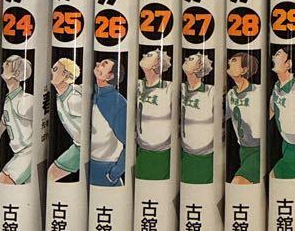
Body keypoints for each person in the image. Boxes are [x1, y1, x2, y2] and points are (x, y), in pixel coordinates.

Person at [135, 48, 173, 181]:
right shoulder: (138, 84)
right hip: (141, 150)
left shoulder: (169, 88)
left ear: (157, 64)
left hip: (161, 153)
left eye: (149, 55)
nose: (144, 54)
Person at [270, 48, 295, 179]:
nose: (273, 57)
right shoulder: (276, 87)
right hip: (285, 145)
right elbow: (272, 111)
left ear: (288, 64)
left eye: (277, 54)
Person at [0, 55, 34, 185]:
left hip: (28, 154)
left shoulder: (25, 100)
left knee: (3, 181)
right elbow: (4, 122)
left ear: (16, 73)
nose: (3, 64)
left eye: (7, 64)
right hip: (19, 154)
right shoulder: (9, 99)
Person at [90, 57, 127, 187]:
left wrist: (114, 174)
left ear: (109, 76)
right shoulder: (92, 93)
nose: (97, 63)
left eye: (103, 64)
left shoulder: (118, 103)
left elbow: (129, 142)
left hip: (106, 168)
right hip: (90, 165)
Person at [227, 52, 262, 184]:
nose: (229, 61)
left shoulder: (259, 91)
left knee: (238, 182)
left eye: (234, 60)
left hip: (258, 150)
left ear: (244, 70)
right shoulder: (231, 94)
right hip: (243, 150)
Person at [181, 52, 216, 183]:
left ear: (198, 67)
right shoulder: (181, 88)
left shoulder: (211, 92)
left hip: (204, 157)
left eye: (191, 59)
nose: (186, 59)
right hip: (185, 154)